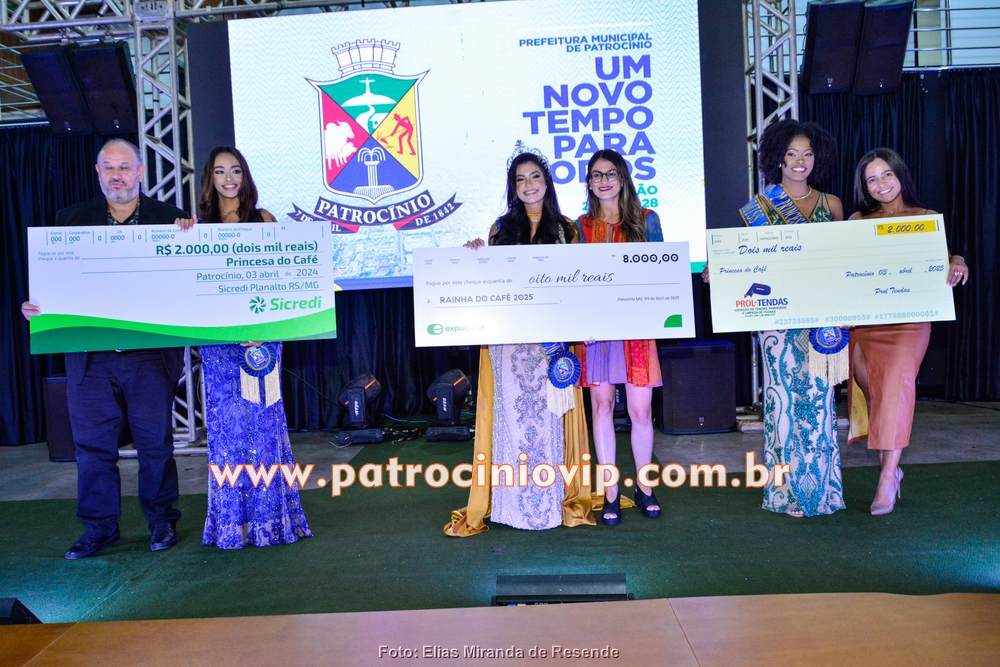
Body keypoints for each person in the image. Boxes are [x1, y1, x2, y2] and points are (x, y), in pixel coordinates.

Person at [21, 139, 189, 558]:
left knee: (155, 445)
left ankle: (161, 520)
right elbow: (57, 283)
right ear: (97, 172)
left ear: (141, 172)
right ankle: (99, 528)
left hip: (150, 353)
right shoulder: (69, 220)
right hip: (90, 357)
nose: (117, 175)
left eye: (124, 167)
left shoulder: (171, 220)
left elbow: (187, 283)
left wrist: (192, 241)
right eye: (109, 167)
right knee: (92, 447)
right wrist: (37, 307)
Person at [443, 143, 595, 536]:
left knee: (548, 421)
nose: (529, 185)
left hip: (550, 345)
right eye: (520, 179)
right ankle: (511, 506)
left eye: (535, 177)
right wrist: (475, 254)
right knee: (513, 419)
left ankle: (550, 502)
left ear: (547, 182)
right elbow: (491, 280)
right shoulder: (501, 228)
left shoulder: (567, 228)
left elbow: (578, 283)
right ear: (513, 187)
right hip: (510, 343)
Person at [181, 146, 313, 548]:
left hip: (261, 343)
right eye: (220, 171)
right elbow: (190, 287)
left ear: (245, 176)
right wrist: (182, 232)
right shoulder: (198, 227)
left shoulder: (264, 220)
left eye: (235, 170)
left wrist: (266, 325)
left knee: (263, 428)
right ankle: (231, 523)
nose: (229, 179)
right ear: (210, 178)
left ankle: (272, 520)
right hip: (219, 346)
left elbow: (282, 278)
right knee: (227, 432)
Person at [848, 147, 969, 515]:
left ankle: (887, 477)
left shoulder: (927, 218)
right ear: (865, 188)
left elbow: (942, 260)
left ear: (900, 174)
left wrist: (958, 259)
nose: (881, 183)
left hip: (908, 323)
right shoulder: (857, 220)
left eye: (886, 174)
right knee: (877, 394)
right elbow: (843, 269)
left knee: (895, 392)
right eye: (872, 179)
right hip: (866, 322)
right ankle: (892, 469)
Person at [737, 120, 847, 518]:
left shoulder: (832, 205)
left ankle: (823, 491)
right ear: (777, 159)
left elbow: (842, 263)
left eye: (808, 154)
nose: (800, 161)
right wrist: (721, 270)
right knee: (782, 401)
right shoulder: (758, 209)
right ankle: (784, 492)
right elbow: (748, 265)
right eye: (791, 154)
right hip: (778, 321)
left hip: (820, 321)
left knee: (818, 403)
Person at [572, 150, 663, 525]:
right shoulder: (579, 226)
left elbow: (662, 273)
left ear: (623, 178)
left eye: (610, 173)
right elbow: (572, 278)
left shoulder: (647, 220)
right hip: (597, 333)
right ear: (590, 183)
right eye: (596, 175)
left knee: (641, 411)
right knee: (602, 408)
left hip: (637, 330)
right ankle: (610, 492)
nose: (604, 181)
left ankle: (645, 487)